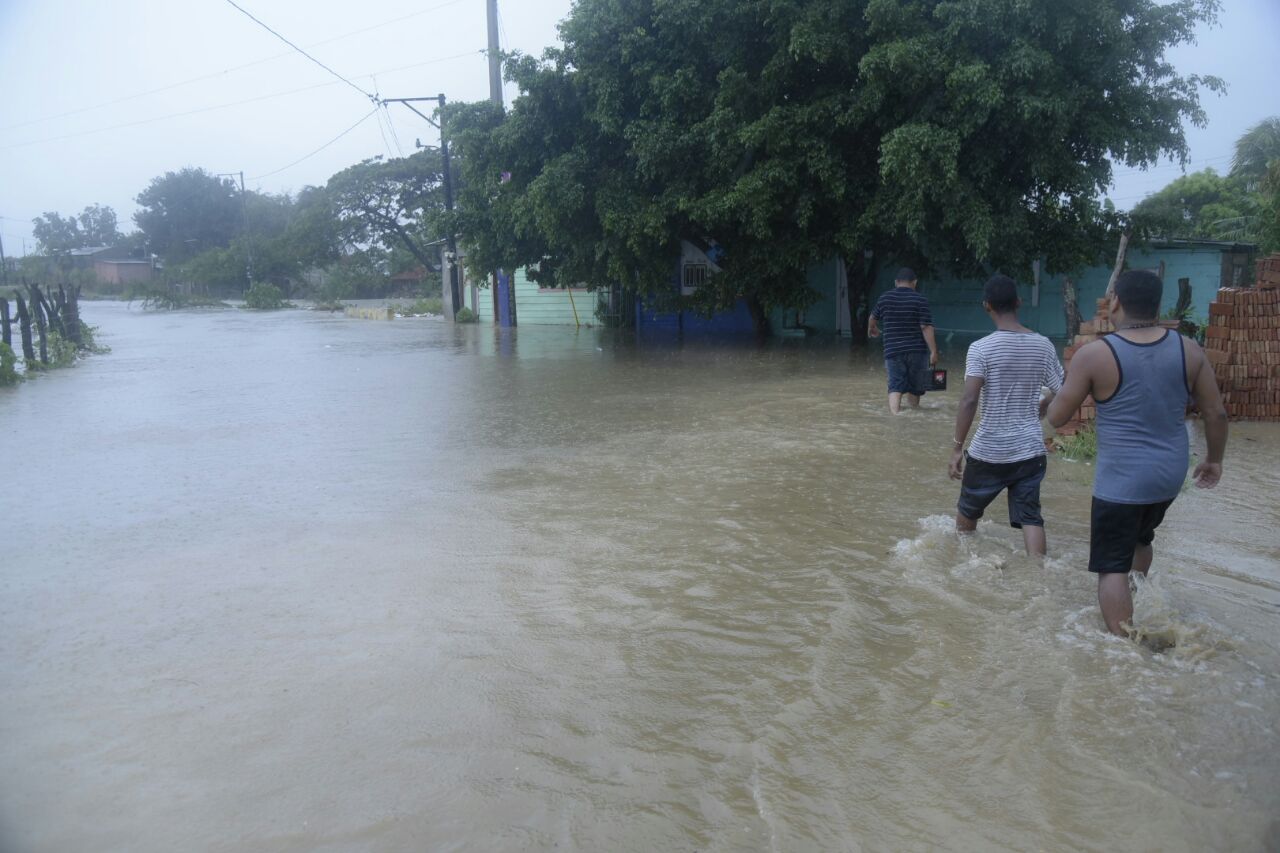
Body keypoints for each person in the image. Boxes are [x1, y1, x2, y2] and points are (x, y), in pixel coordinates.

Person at [1047, 269, 1228, 637]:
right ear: (1158, 306)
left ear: (1115, 303)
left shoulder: (1095, 354)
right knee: (1141, 539)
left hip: (1122, 481)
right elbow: (1216, 413)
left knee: (1110, 565)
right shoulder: (1188, 350)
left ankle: (1124, 648)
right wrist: (1214, 460)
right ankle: (1136, 596)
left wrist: (1049, 400)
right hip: (1169, 477)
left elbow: (1058, 417)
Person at [949, 275, 1064, 556]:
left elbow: (969, 399)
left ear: (987, 305)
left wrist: (956, 447)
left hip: (988, 451)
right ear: (1019, 303)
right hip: (1029, 450)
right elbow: (1063, 389)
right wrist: (1044, 403)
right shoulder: (1043, 345)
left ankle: (961, 568)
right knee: (1031, 518)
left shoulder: (981, 348)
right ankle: (1039, 573)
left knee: (967, 513)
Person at [868, 267, 939, 414]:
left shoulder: (885, 298)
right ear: (915, 282)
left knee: (895, 384)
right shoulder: (920, 299)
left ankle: (895, 416)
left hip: (892, 351)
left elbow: (872, 318)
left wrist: (872, 328)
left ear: (896, 282)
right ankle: (913, 413)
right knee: (915, 386)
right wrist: (933, 351)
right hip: (917, 352)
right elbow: (926, 327)